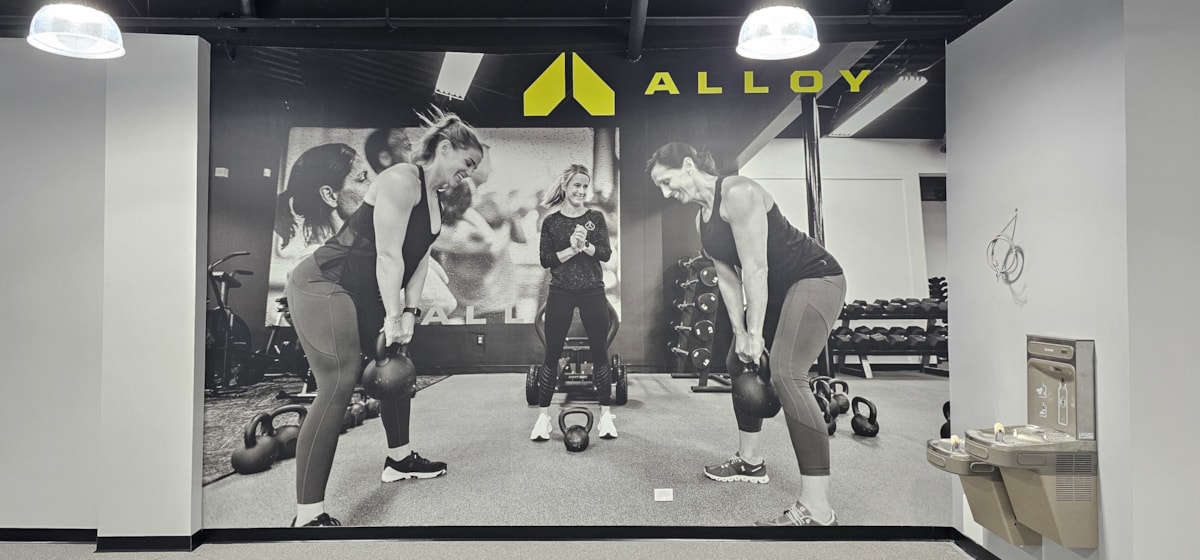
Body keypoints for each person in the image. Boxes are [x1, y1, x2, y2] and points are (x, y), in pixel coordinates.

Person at [283, 111, 485, 527]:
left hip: (364, 289)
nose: (468, 173)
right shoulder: (400, 180)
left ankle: (399, 459)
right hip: (325, 282)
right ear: (445, 148)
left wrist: (409, 313)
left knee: (395, 363)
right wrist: (393, 316)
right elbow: (389, 255)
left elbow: (419, 259)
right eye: (467, 163)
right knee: (339, 381)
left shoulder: (434, 198)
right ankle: (308, 514)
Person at [646, 142, 847, 527]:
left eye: (667, 182)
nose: (667, 193)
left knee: (787, 374)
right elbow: (726, 277)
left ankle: (818, 509)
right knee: (737, 361)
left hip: (814, 279)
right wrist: (740, 333)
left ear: (687, 165)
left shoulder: (738, 192)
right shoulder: (702, 219)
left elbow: (756, 269)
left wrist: (756, 332)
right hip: (778, 290)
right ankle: (750, 462)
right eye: (660, 187)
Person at [529, 164, 618, 441]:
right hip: (561, 291)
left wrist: (585, 245)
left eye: (585, 186)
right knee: (552, 353)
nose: (581, 191)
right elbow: (546, 260)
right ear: (565, 187)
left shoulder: (596, 217)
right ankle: (543, 419)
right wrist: (571, 247)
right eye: (577, 185)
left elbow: (605, 254)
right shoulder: (551, 221)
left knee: (600, 352)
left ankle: (606, 417)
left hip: (592, 291)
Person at [274, 143, 374, 253]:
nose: (372, 185)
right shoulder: (321, 259)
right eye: (362, 179)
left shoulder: (348, 252)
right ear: (329, 196)